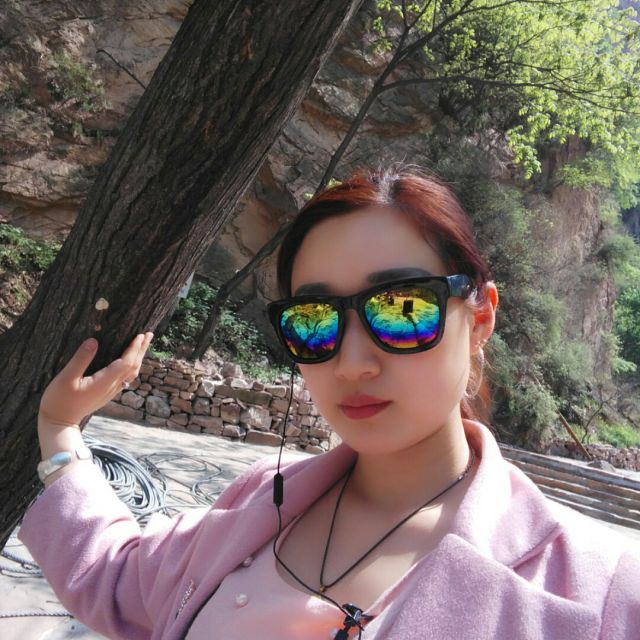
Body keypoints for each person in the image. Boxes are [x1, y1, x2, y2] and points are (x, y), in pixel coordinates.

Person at [18, 166, 640, 640]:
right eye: (315, 320)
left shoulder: (601, 592)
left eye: (402, 309)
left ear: (479, 319)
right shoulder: (259, 501)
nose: (351, 363)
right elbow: (118, 577)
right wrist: (60, 428)